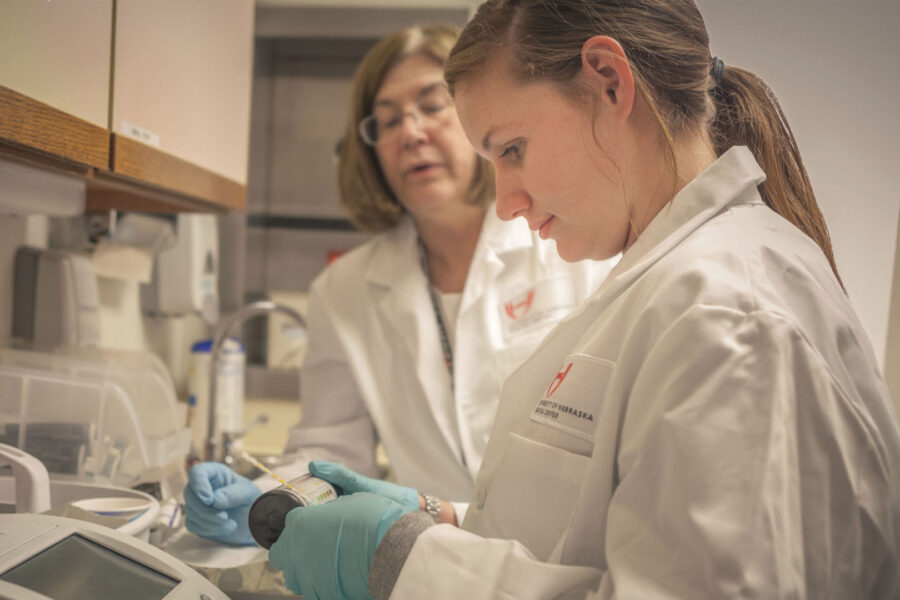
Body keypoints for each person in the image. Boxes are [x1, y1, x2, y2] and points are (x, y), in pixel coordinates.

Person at [262, 1, 900, 598]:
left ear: (608, 82)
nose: (506, 201)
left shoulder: (727, 311)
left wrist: (404, 559)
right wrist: (437, 516)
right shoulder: (667, 285)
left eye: (512, 149)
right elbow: (601, 527)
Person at [183, 23, 615, 546]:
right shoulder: (344, 290)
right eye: (387, 121)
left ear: (482, 115)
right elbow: (332, 450)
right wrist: (269, 497)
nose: (409, 133)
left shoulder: (568, 241)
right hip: (429, 562)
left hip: (565, 558)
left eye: (432, 106)